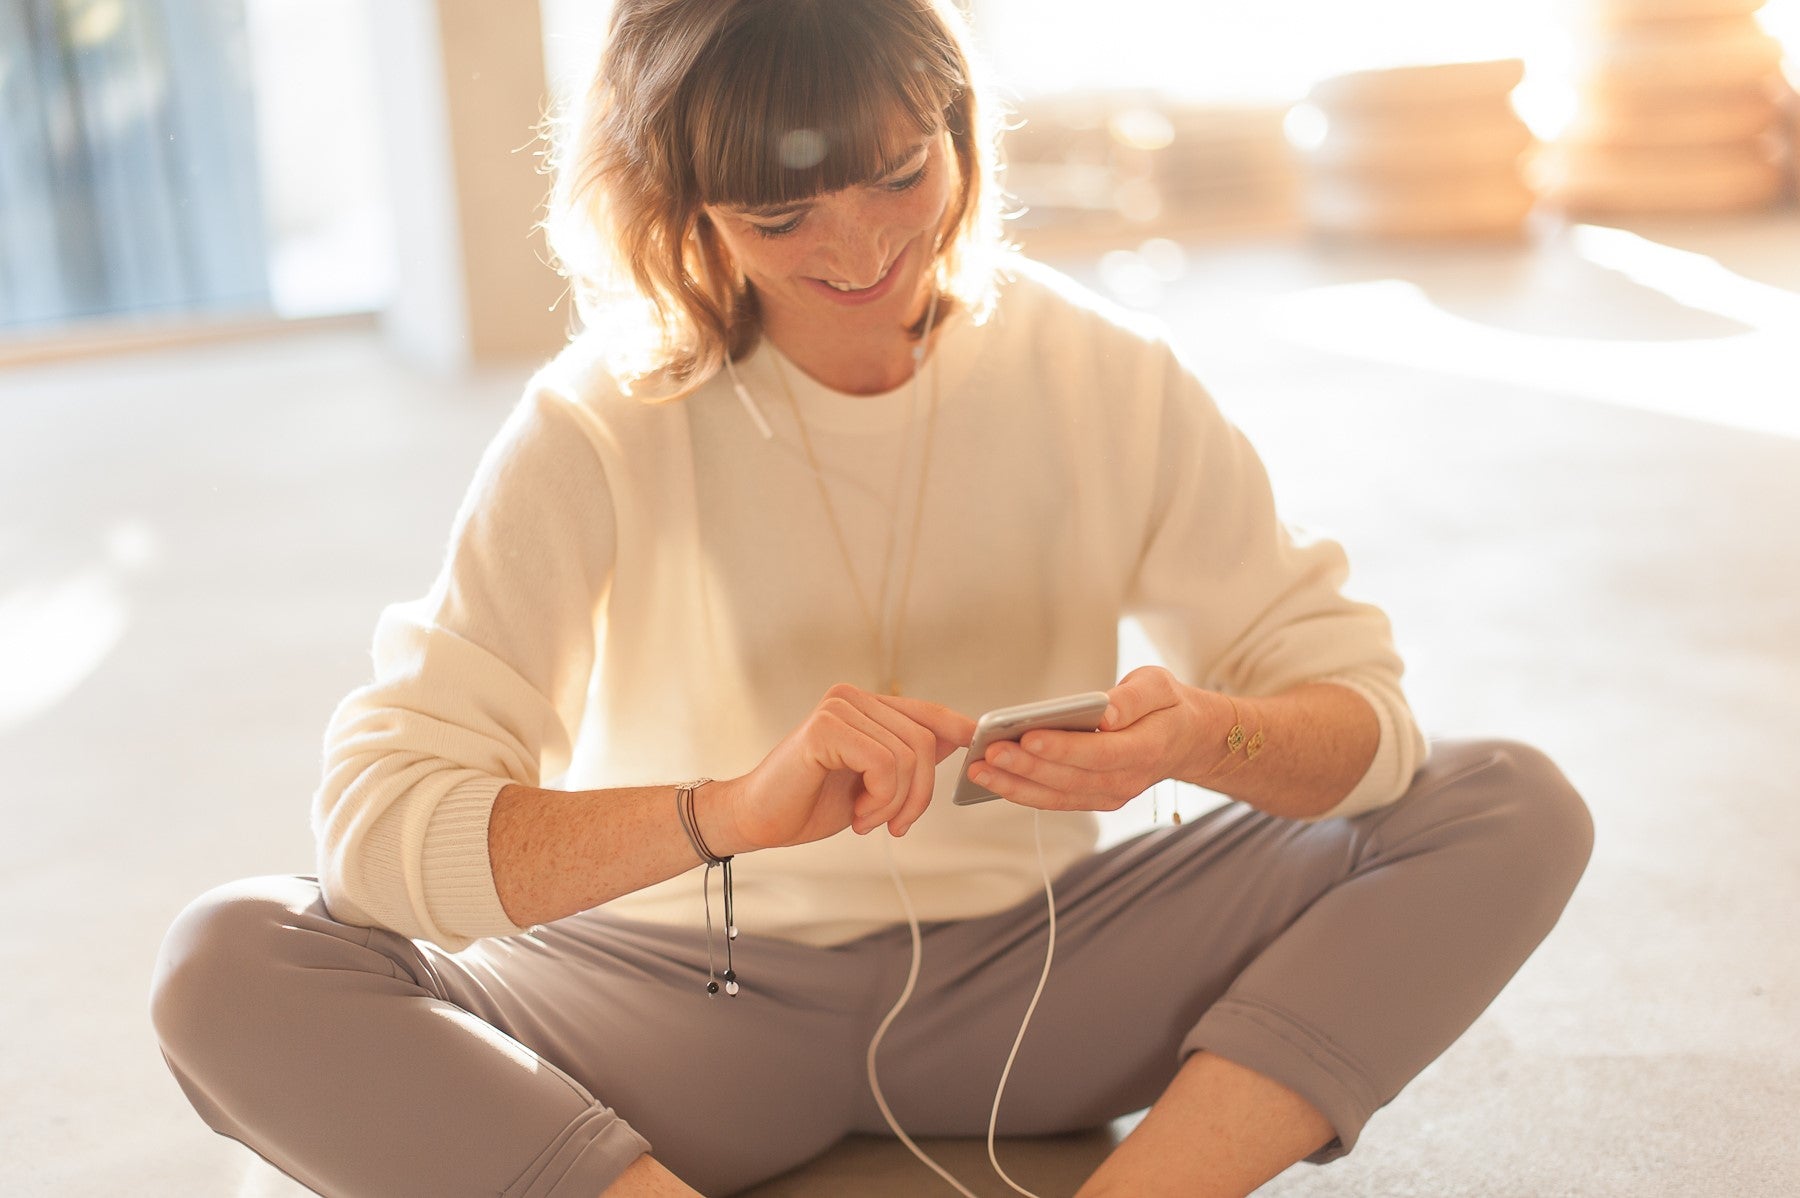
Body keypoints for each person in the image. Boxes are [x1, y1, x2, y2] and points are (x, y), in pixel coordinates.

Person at [150, 2, 1594, 1195]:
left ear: (957, 127)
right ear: (685, 208)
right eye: (782, 213)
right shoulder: (598, 422)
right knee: (231, 958)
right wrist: (721, 810)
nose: (859, 252)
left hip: (1046, 974)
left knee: (1509, 799)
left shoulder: (1102, 373)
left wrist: (1195, 736)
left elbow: (1372, 729)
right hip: (684, 991)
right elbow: (379, 834)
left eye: (902, 177)